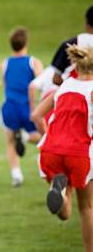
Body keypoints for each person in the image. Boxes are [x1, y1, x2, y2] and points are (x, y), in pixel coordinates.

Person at [31, 45, 93, 252]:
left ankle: (61, 195)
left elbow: (37, 115)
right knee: (87, 208)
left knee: (66, 211)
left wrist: (48, 135)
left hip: (51, 150)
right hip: (79, 152)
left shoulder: (65, 86)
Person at [0, 27, 43, 187]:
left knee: (10, 141)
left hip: (10, 106)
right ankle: (25, 137)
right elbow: (41, 85)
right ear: (26, 43)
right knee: (43, 137)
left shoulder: (4, 63)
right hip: (28, 107)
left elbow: (5, 86)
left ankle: (16, 175)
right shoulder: (34, 62)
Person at [50, 5, 93, 85]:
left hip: (75, 94)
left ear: (87, 23)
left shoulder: (70, 44)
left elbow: (56, 79)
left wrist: (70, 88)